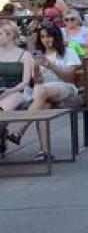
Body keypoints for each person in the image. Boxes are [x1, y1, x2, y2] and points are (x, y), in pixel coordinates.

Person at [6, 23, 81, 160]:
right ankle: (44, 151)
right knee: (43, 106)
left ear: (56, 36)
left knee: (41, 91)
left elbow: (69, 77)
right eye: (42, 37)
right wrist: (35, 69)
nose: (46, 40)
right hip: (42, 92)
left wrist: (50, 65)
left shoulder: (68, 52)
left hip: (65, 88)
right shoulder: (39, 55)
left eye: (49, 36)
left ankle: (20, 129)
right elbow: (38, 82)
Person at [0, 20, 34, 144]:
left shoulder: (24, 55)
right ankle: (3, 135)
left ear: (10, 36)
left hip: (17, 91)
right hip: (1, 89)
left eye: (0, 34)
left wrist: (9, 91)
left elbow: (25, 82)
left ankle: (2, 134)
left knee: (2, 111)